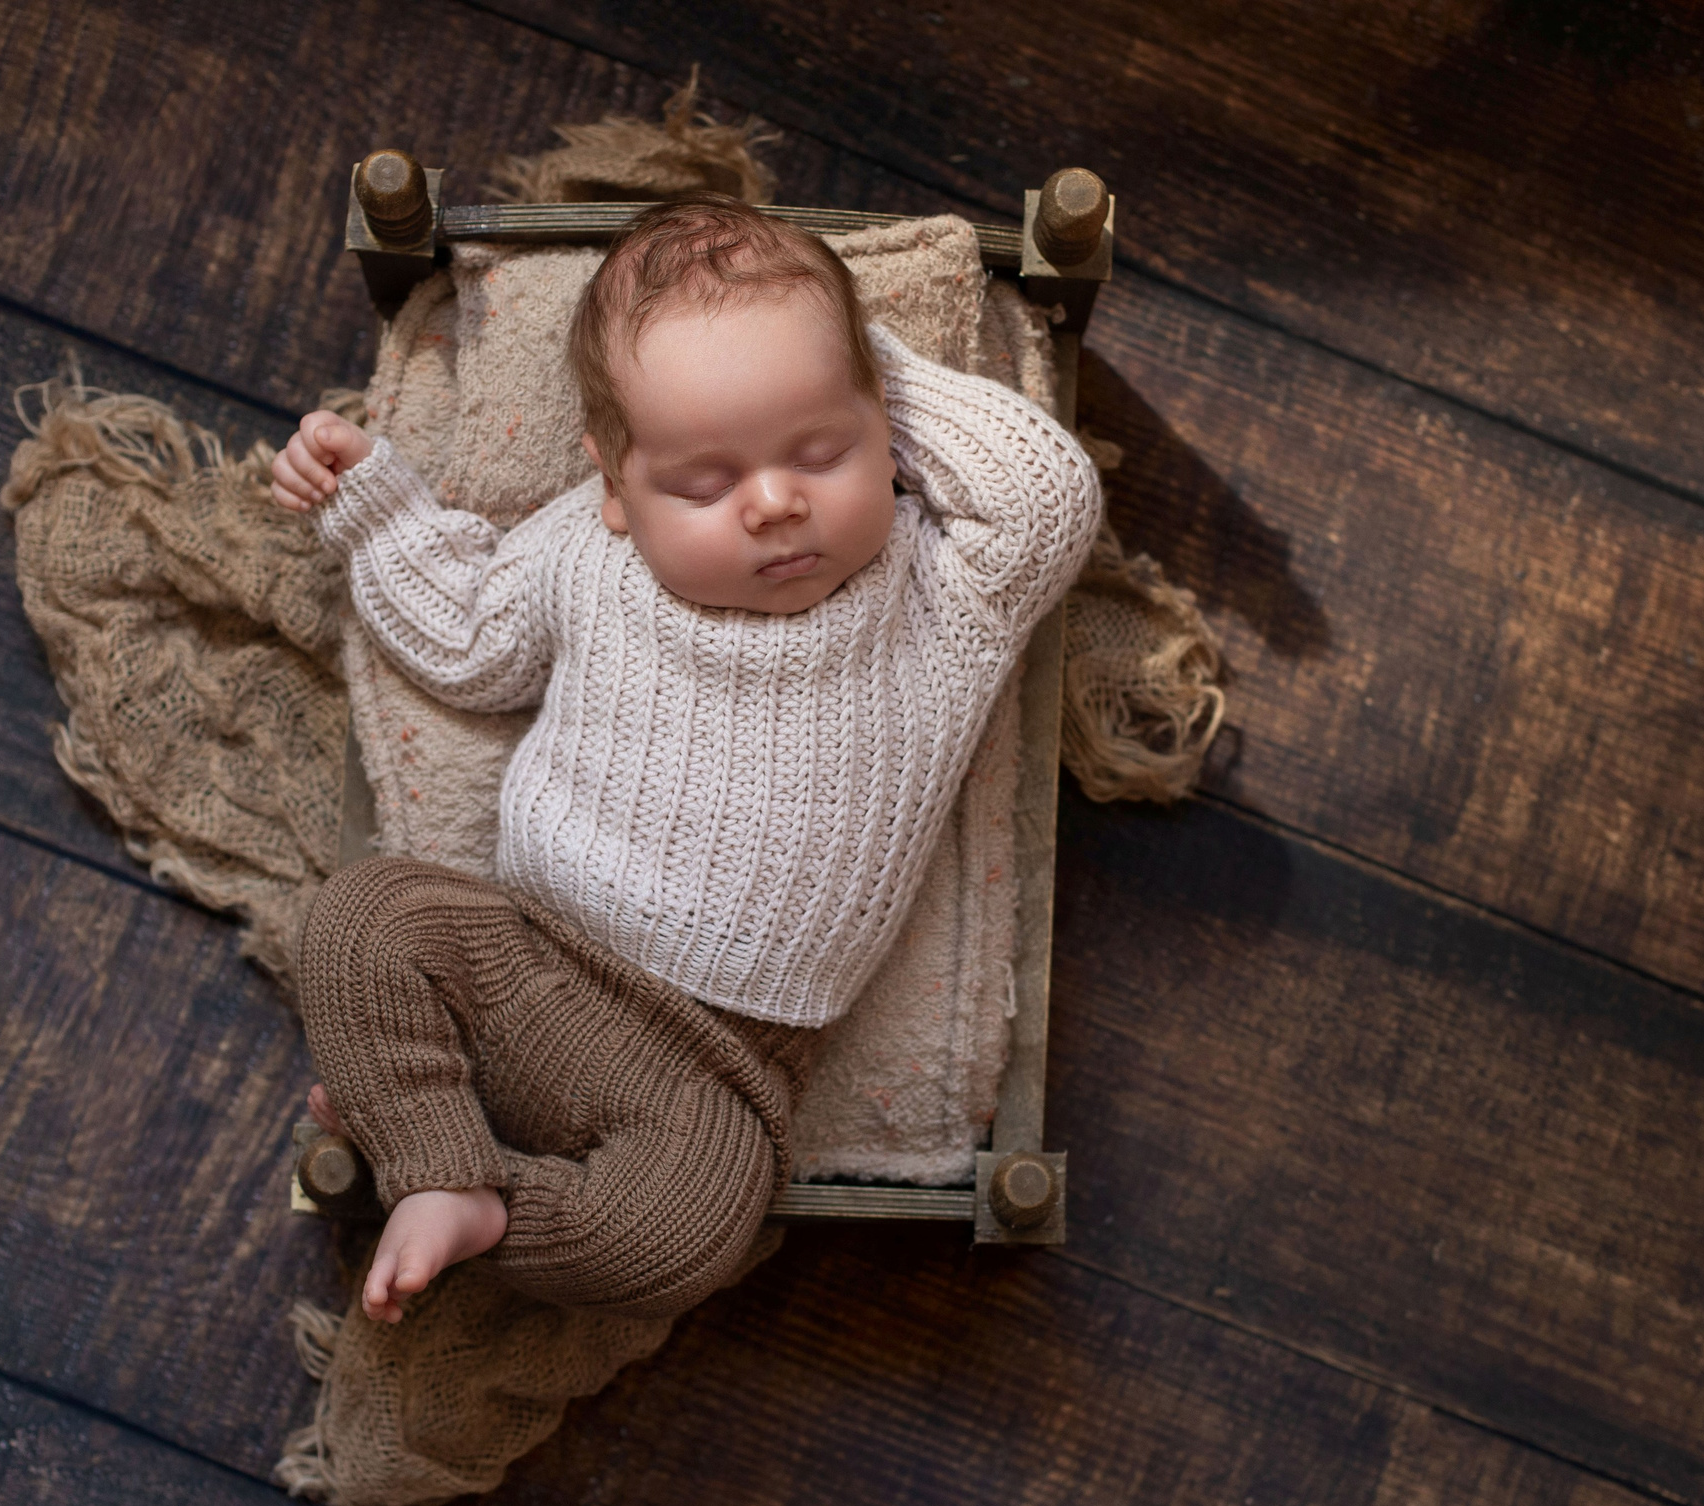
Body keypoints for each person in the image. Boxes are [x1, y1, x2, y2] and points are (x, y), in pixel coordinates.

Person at [270, 194, 1100, 1324]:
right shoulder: (581, 553)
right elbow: (465, 637)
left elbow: (1046, 496)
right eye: (705, 482)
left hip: (714, 1069)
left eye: (823, 450)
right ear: (613, 484)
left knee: (687, 1235)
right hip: (522, 957)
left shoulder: (941, 596)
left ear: (888, 436)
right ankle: (429, 1142)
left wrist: (861, 358)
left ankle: (463, 1182)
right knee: (361, 920)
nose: (773, 503)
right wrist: (374, 510)